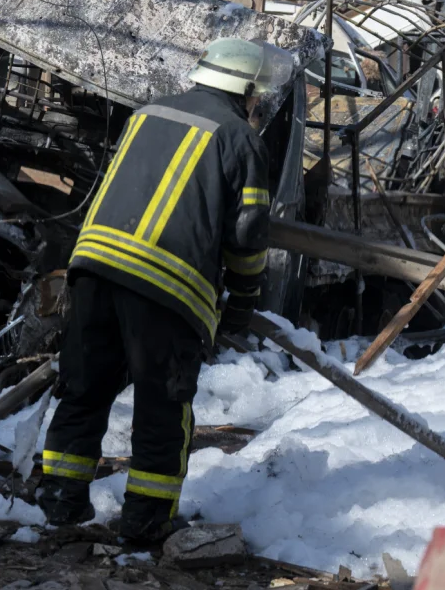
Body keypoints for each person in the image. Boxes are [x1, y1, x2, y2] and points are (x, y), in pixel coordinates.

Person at [38, 38, 289, 543]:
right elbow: (247, 237)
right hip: (164, 287)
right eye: (259, 97)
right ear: (248, 92)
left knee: (84, 389)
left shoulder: (147, 113)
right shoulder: (241, 138)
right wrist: (241, 303)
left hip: (93, 269)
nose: (259, 106)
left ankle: (60, 504)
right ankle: (146, 521)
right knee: (163, 407)